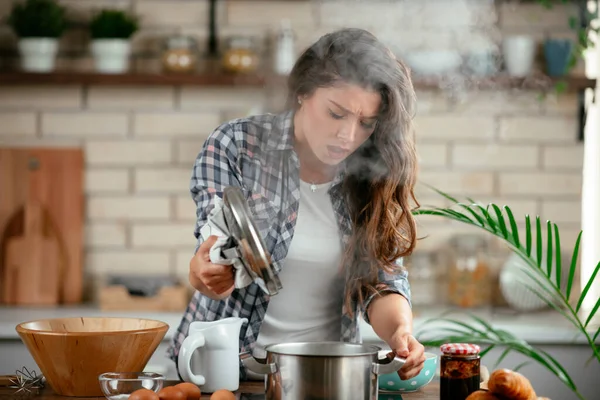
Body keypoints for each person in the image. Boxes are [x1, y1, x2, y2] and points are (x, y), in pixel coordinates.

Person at [168, 27, 426, 382]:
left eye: (366, 123)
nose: (348, 136)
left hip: (325, 377)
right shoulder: (236, 145)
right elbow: (214, 236)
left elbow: (381, 282)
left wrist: (400, 332)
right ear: (303, 92)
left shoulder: (372, 175)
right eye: (336, 113)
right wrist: (208, 270)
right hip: (222, 373)